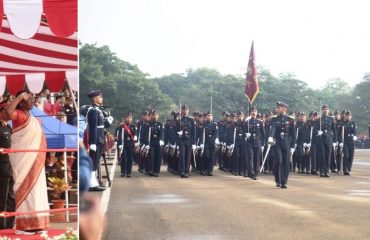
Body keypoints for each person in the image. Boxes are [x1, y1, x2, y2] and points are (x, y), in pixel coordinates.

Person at [2, 91, 50, 232]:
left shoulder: (32, 118)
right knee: (25, 190)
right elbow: (7, 114)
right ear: (22, 102)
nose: (32, 101)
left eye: (33, 99)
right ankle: (24, 225)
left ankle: (38, 224)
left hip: (36, 161)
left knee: (37, 191)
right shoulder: (19, 115)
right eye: (29, 99)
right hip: (23, 162)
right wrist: (18, 98)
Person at [86, 90, 113, 191]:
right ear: (95, 99)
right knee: (93, 162)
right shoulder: (93, 111)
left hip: (100, 138)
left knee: (96, 161)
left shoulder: (97, 110)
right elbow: (93, 127)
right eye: (100, 97)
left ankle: (93, 183)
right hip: (96, 139)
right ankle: (91, 184)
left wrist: (108, 122)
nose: (102, 99)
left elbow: (101, 125)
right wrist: (92, 142)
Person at [268, 102, 295, 188]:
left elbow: (293, 134)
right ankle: (278, 180)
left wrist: (293, 146)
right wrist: (270, 137)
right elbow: (273, 128)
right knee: (279, 161)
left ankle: (284, 182)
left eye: (279, 108)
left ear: (284, 109)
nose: (277, 109)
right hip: (277, 143)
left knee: (286, 162)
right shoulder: (274, 119)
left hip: (286, 143)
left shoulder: (290, 119)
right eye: (277, 107)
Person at [0, 100, 15, 230]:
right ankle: (2, 224)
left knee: (10, 195)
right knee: (2, 195)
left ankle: (9, 223)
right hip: (1, 168)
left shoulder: (8, 127)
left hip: (7, 167)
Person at [317, 104, 337, 177]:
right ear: (322, 110)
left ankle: (327, 171)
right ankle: (321, 171)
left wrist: (335, 141)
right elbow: (315, 128)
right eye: (324, 109)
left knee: (328, 156)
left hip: (329, 139)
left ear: (328, 110)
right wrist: (318, 132)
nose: (325, 110)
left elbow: (334, 130)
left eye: (326, 109)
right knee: (322, 155)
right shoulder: (319, 119)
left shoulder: (331, 119)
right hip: (321, 139)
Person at [245, 106, 265, 180]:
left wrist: (263, 144)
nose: (254, 113)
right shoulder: (247, 122)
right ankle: (251, 172)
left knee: (257, 158)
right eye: (252, 111)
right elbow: (243, 131)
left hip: (257, 143)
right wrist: (246, 134)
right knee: (250, 157)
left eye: (255, 111)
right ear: (250, 113)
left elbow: (263, 134)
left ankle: (256, 172)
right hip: (249, 142)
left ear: (256, 113)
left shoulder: (260, 122)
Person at [178, 105, 196, 178]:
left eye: (186, 109)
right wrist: (178, 133)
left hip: (189, 140)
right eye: (184, 109)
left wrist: (194, 143)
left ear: (188, 111)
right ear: (182, 110)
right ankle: (182, 171)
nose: (185, 111)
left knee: (187, 156)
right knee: (182, 156)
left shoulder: (191, 120)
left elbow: (193, 132)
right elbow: (176, 129)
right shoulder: (179, 119)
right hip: (181, 140)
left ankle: (186, 171)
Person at [117, 113, 137, 177]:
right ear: (125, 118)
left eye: (130, 118)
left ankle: (128, 172)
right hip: (124, 144)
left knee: (130, 159)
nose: (129, 119)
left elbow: (135, 135)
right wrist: (119, 144)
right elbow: (119, 136)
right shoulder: (122, 126)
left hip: (131, 144)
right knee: (123, 158)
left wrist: (136, 141)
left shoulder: (133, 126)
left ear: (132, 119)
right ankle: (123, 172)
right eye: (128, 117)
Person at [199, 111, 219, 176]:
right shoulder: (204, 124)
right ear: (206, 117)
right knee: (206, 156)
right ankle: (204, 169)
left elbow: (216, 133)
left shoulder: (215, 124)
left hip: (212, 142)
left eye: (210, 115)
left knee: (212, 157)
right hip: (206, 142)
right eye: (208, 115)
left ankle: (210, 171)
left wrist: (216, 139)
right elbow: (201, 134)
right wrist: (201, 143)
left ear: (212, 117)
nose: (209, 117)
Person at [148, 110, 164, 177]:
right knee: (151, 156)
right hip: (151, 142)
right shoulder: (148, 124)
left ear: (158, 116)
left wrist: (161, 140)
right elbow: (146, 134)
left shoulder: (160, 124)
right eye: (153, 115)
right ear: (151, 116)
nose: (154, 116)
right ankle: (151, 170)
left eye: (156, 115)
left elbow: (162, 133)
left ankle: (156, 171)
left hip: (158, 143)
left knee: (158, 157)